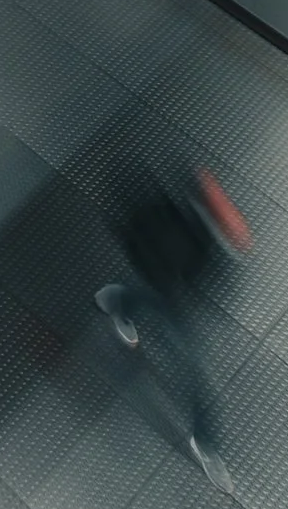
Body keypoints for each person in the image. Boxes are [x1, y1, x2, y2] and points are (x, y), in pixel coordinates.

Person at [97, 167, 253, 487]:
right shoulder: (186, 217)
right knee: (197, 371)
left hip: (175, 284)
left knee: (151, 301)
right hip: (168, 283)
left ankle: (119, 302)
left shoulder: (204, 225)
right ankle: (206, 443)